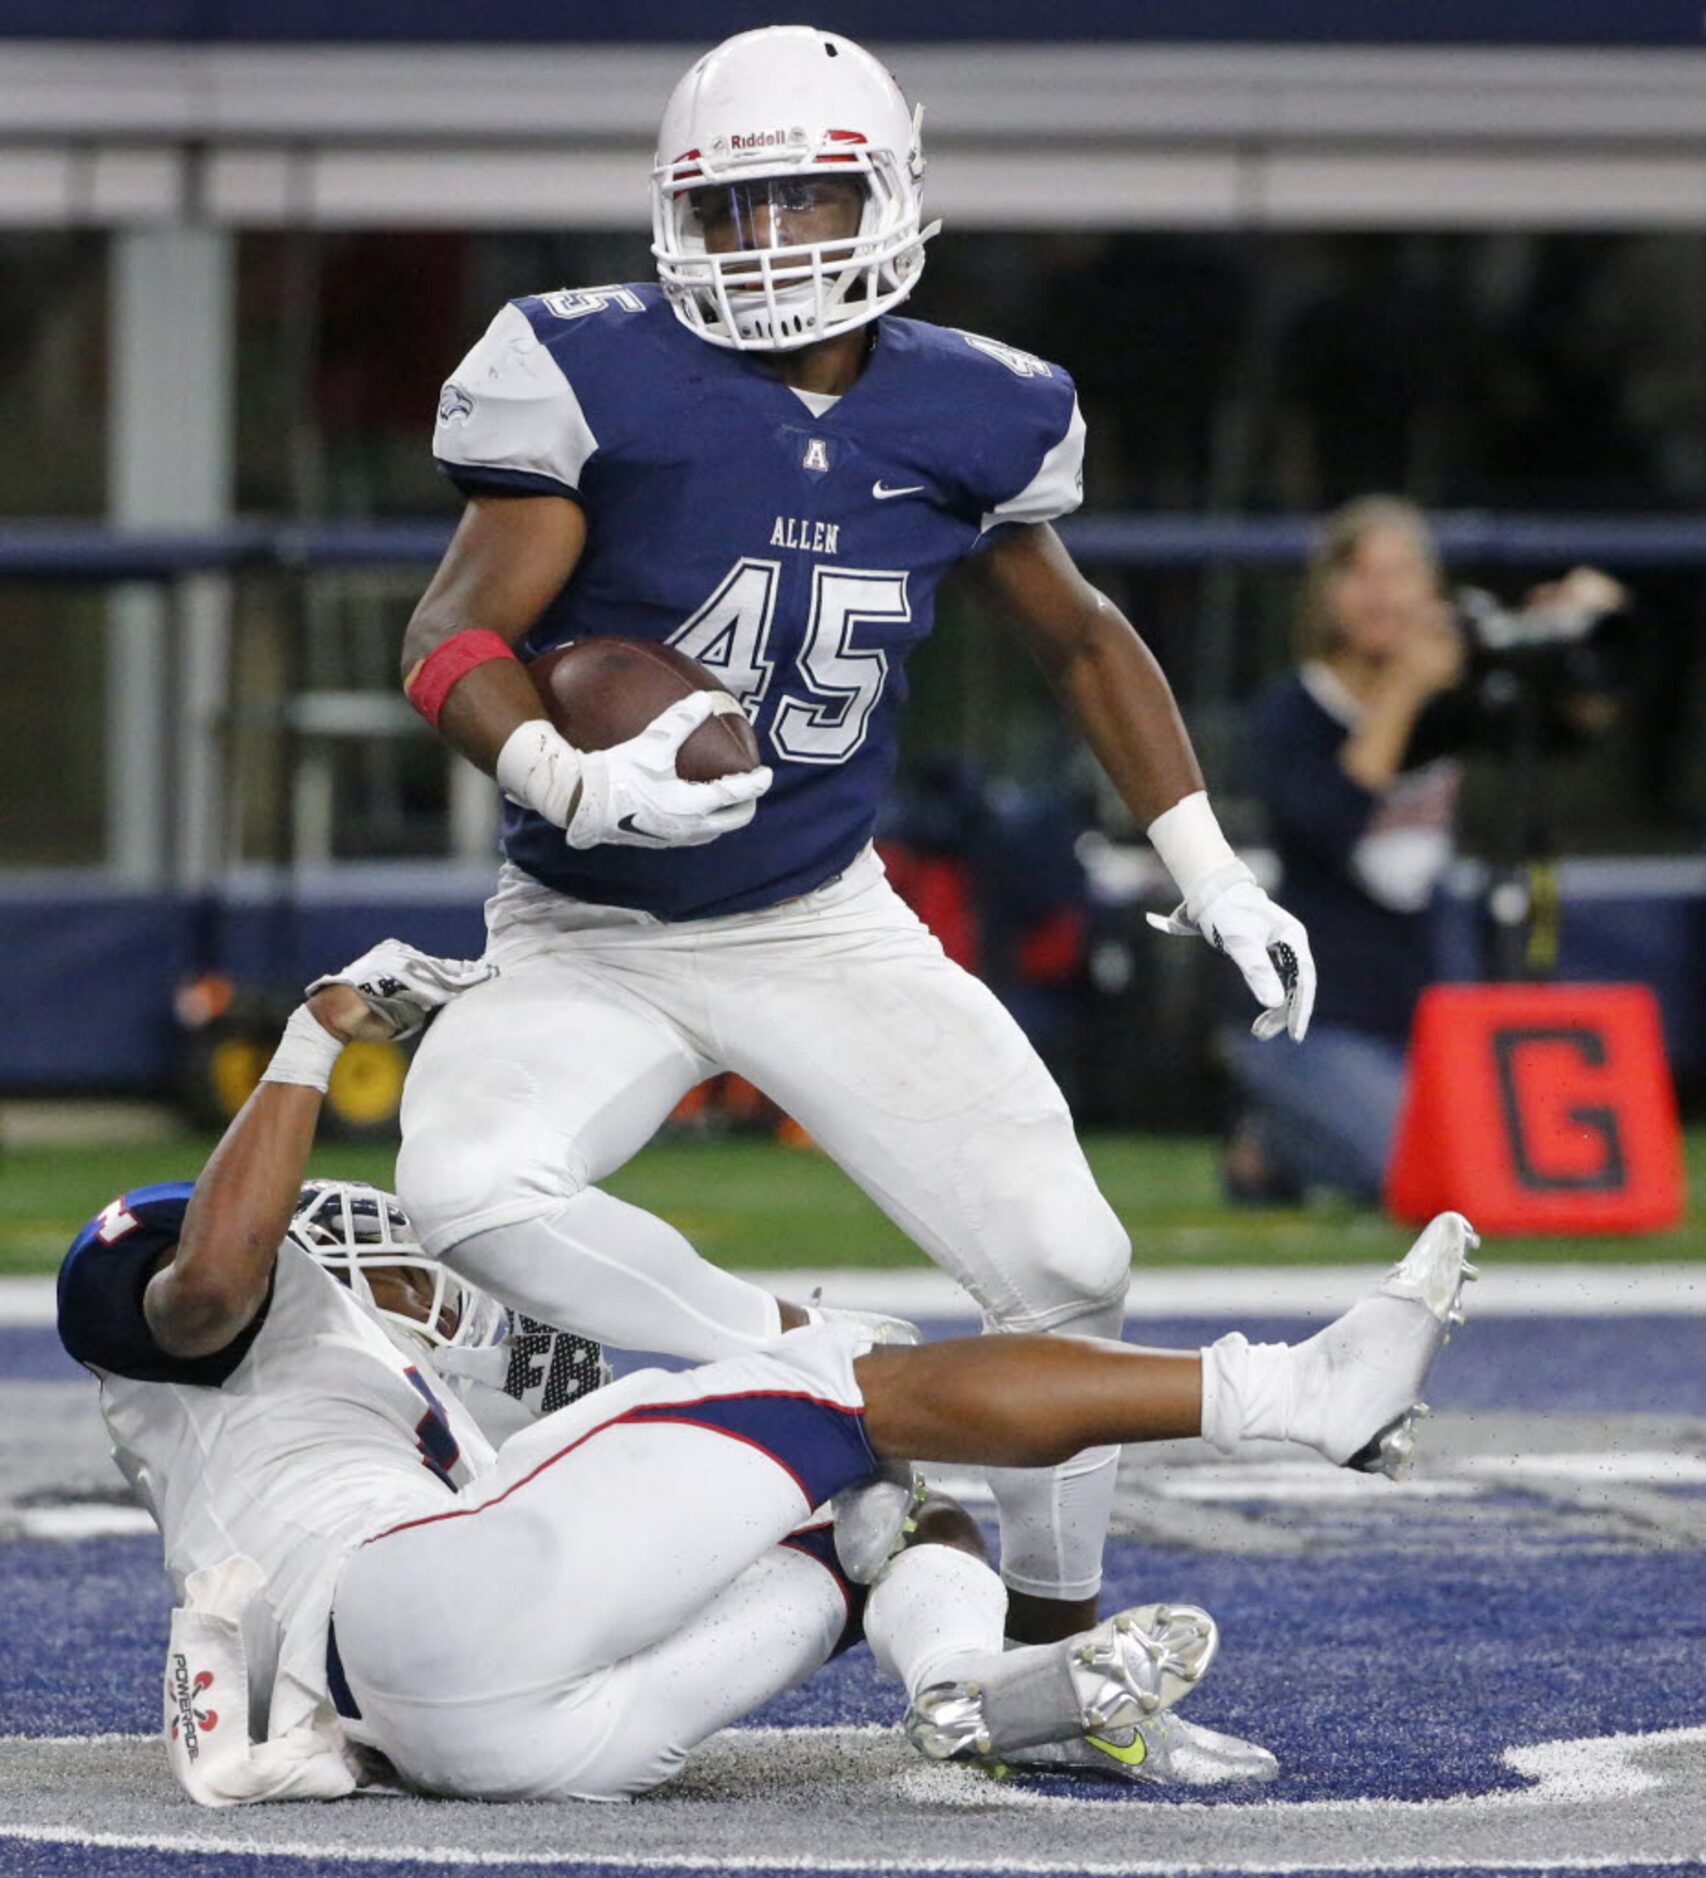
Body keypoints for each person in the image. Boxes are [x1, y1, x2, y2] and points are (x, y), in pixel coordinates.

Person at [393, 23, 1316, 1658]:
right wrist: (560, 766)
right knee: (466, 1189)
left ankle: (1050, 1639)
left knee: (1066, 1256)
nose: (767, 247)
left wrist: (1208, 865)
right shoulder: (589, 362)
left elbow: (1083, 639)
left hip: (819, 917)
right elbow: (450, 630)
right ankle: (827, 1354)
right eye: (734, 210)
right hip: (589, 927)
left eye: (804, 205)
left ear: (887, 201)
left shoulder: (984, 406)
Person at [57, 942, 1475, 1805]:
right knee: (862, 1377)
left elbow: (586, 1506)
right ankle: (1290, 1392)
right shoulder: (186, 1329)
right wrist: (316, 1037)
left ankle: (975, 1682)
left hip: (493, 1730)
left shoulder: (380, 1415)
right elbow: (219, 1276)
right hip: (401, 1612)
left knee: (885, 1525)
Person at [1226, 495, 1626, 1204]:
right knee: (1424, 1184)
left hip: (1427, 1019)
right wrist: (1404, 689)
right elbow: (1329, 823)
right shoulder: (1291, 710)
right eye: (1361, 574)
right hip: (1317, 1021)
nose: (1382, 595)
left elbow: (1575, 733)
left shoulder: (1451, 702)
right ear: (1325, 594)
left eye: (1402, 573)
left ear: (1431, 591)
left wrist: (1581, 632)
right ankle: (1272, 1137)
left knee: (1494, 1174)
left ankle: (1287, 1143)